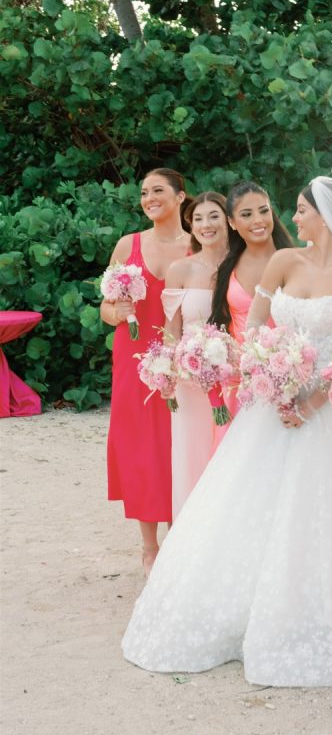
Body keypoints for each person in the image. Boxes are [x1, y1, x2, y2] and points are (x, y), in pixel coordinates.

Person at [122, 177, 332, 688]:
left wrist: (308, 401)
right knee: (241, 505)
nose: (296, 217)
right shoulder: (287, 264)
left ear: (325, 217)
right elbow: (256, 330)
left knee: (311, 515)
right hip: (268, 401)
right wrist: (269, 374)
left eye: (303, 210)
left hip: (321, 410)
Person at [101, 168, 191, 577]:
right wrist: (114, 312)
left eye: (158, 190)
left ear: (180, 196)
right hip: (134, 361)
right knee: (141, 450)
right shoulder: (128, 245)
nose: (149, 198)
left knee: (181, 445)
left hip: (184, 363)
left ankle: (182, 538)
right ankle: (149, 547)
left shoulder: (199, 245)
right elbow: (104, 309)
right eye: (144, 192)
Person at [161, 191, 231, 521]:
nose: (206, 225)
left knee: (228, 457)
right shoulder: (181, 269)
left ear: (228, 219)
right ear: (190, 224)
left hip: (234, 378)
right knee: (191, 456)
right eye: (198, 218)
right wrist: (165, 370)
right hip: (190, 380)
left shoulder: (242, 265)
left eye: (214, 216)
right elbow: (171, 328)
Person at [208, 180, 293, 415]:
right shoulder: (227, 269)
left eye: (264, 211)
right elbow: (220, 326)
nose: (258, 220)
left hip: (288, 378)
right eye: (246, 214)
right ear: (232, 223)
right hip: (241, 383)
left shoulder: (294, 262)